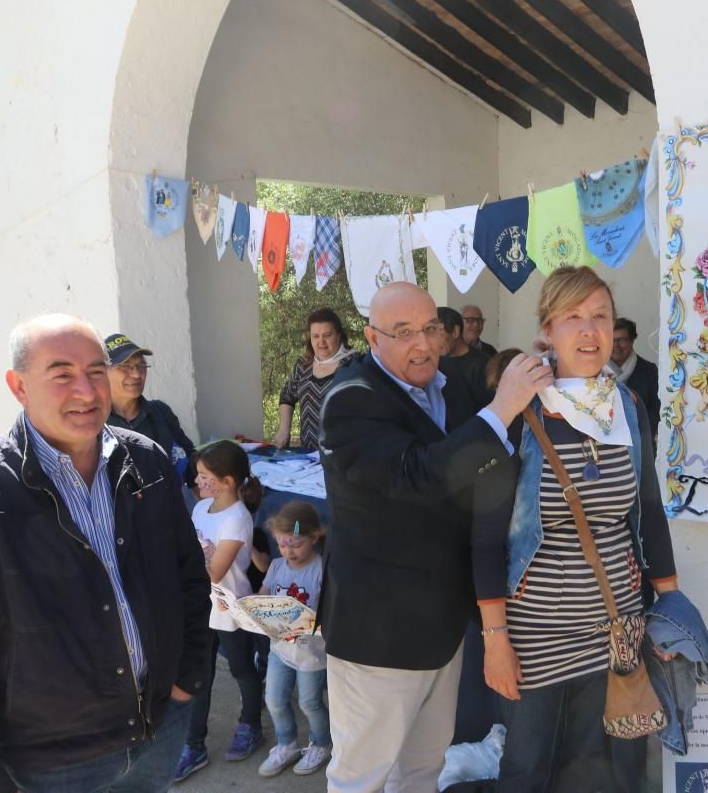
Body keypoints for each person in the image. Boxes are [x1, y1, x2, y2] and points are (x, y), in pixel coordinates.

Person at [0, 314, 211, 793]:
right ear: (18, 386)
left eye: (94, 371)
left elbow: (189, 577)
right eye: (62, 374)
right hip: (52, 766)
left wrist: (186, 677)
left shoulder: (146, 460)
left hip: (158, 731)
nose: (86, 392)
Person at [318, 281, 551, 792]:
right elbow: (419, 475)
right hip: (378, 637)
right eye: (402, 333)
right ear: (371, 337)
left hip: (440, 628)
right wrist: (503, 407)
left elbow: (483, 447)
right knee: (361, 778)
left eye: (429, 328)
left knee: (423, 772)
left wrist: (531, 369)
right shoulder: (350, 400)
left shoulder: (446, 386)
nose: (421, 344)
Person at [472, 266, 679, 792]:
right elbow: (486, 533)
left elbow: (648, 511)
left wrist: (671, 605)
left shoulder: (627, 407)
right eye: (573, 318)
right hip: (534, 634)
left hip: (615, 627)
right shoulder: (519, 408)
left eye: (600, 317)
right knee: (528, 767)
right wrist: (495, 639)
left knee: (601, 771)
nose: (589, 332)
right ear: (548, 329)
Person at [175, 440, 268, 781]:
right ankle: (193, 744)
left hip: (232, 611)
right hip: (202, 610)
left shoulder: (238, 519)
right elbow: (192, 556)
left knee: (243, 670)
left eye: (203, 475)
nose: (197, 481)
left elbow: (214, 571)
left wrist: (193, 558)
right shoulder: (201, 509)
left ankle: (251, 724)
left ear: (227, 480)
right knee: (199, 677)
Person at [257, 501, 331, 778]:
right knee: (274, 699)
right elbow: (263, 594)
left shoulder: (322, 568)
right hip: (280, 648)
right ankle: (286, 745)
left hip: (312, 652)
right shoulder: (277, 566)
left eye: (296, 545)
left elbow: (330, 610)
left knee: (309, 702)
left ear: (314, 537)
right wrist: (250, 608)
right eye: (282, 545)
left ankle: (321, 744)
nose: (288, 552)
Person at [104, 332, 198, 489]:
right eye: (125, 366)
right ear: (104, 371)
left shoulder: (160, 411)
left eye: (141, 366)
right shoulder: (95, 421)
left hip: (166, 509)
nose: (136, 374)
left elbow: (191, 460)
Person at [274, 308, 355, 450]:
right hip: (308, 457)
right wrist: (284, 429)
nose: (321, 342)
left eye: (327, 335)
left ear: (339, 335)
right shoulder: (303, 364)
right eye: (315, 336)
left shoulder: (355, 365)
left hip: (344, 458)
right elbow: (287, 396)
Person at [610, 316, 660, 439]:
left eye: (622, 340)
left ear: (632, 341)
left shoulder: (649, 370)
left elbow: (656, 410)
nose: (616, 345)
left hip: (641, 441)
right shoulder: (596, 370)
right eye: (612, 340)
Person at [438, 305, 492, 409]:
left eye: (439, 332)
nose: (433, 341)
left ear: (455, 331)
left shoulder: (483, 363)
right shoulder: (435, 362)